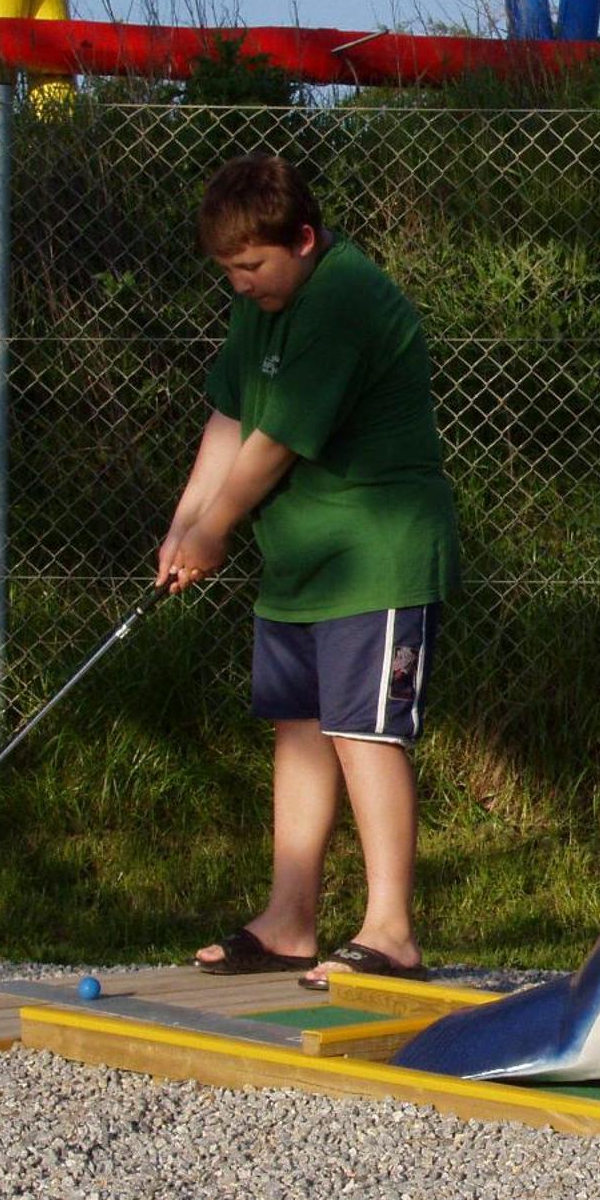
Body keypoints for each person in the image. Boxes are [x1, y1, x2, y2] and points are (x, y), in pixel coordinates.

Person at [160, 154, 460, 992]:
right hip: (302, 561)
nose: (241, 286)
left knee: (366, 732)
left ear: (302, 238)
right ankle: (290, 920)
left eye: (251, 267)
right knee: (299, 727)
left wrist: (217, 526)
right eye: (228, 272)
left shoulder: (342, 298)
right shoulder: (266, 301)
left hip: (379, 555)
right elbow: (232, 415)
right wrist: (185, 523)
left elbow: (280, 436)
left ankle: (390, 933)